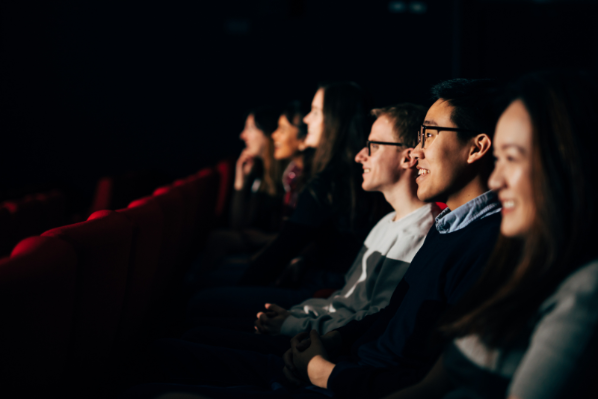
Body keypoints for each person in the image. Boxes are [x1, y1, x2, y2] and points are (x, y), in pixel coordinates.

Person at [119, 78, 505, 399]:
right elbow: (387, 316)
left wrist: (320, 369)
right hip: (341, 362)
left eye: (429, 135)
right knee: (164, 350)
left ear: (477, 147)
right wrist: (330, 345)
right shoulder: (448, 226)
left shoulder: (484, 243)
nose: (416, 153)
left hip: (343, 380)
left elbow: (421, 376)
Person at [385, 70, 598, 399]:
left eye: (510, 158)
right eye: (497, 159)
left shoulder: (584, 293)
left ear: (566, 163)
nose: (496, 180)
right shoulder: (518, 264)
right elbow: (430, 385)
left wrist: (330, 375)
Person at [179, 104, 439, 355]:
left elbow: (373, 322)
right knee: (197, 325)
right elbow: (344, 300)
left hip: (321, 346)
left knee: (192, 335)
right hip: (313, 326)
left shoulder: (417, 234)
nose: (360, 155)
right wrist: (295, 315)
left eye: (373, 146)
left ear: (408, 156)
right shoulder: (387, 222)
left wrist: (293, 322)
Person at [185, 82, 384, 325]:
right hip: (327, 287)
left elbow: (279, 253)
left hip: (319, 293)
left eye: (316, 112)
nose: (308, 119)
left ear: (335, 120)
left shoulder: (326, 183)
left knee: (199, 298)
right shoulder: (352, 177)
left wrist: (240, 290)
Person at [187, 103, 309, 288]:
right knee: (216, 243)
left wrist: (262, 239)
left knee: (216, 246)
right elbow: (240, 225)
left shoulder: (293, 176)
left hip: (277, 257)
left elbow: (298, 236)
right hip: (267, 252)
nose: (242, 135)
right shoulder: (261, 172)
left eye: (250, 128)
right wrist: (240, 183)